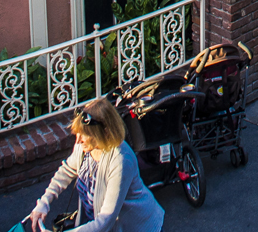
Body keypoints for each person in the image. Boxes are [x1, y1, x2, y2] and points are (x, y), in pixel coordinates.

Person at [25, 98, 164, 232]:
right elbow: (67, 170)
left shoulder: (120, 161)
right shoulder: (85, 147)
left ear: (104, 133)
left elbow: (105, 221)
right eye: (77, 134)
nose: (78, 140)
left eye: (84, 135)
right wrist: (44, 202)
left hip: (135, 226)